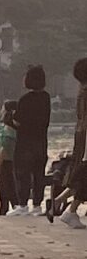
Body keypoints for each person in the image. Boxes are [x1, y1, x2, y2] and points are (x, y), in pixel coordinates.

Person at [49, 57, 87, 229]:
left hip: (82, 135)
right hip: (85, 136)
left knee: (81, 173)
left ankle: (61, 202)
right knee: (83, 173)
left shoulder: (82, 91)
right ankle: (69, 209)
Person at [15, 65, 51, 216]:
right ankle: (37, 205)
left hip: (25, 143)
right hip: (41, 142)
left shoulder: (25, 99)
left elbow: (18, 121)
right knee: (38, 174)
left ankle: (23, 205)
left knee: (23, 174)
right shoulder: (46, 98)